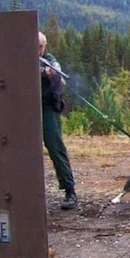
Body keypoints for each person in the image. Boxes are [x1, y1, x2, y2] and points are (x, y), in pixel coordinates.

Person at [38, 31, 77, 210]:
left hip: (47, 109)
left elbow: (60, 83)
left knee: (55, 147)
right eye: (35, 46)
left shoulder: (51, 61)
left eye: (40, 46)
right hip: (26, 110)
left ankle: (69, 190)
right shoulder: (21, 57)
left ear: (45, 46)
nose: (38, 50)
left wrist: (51, 75)